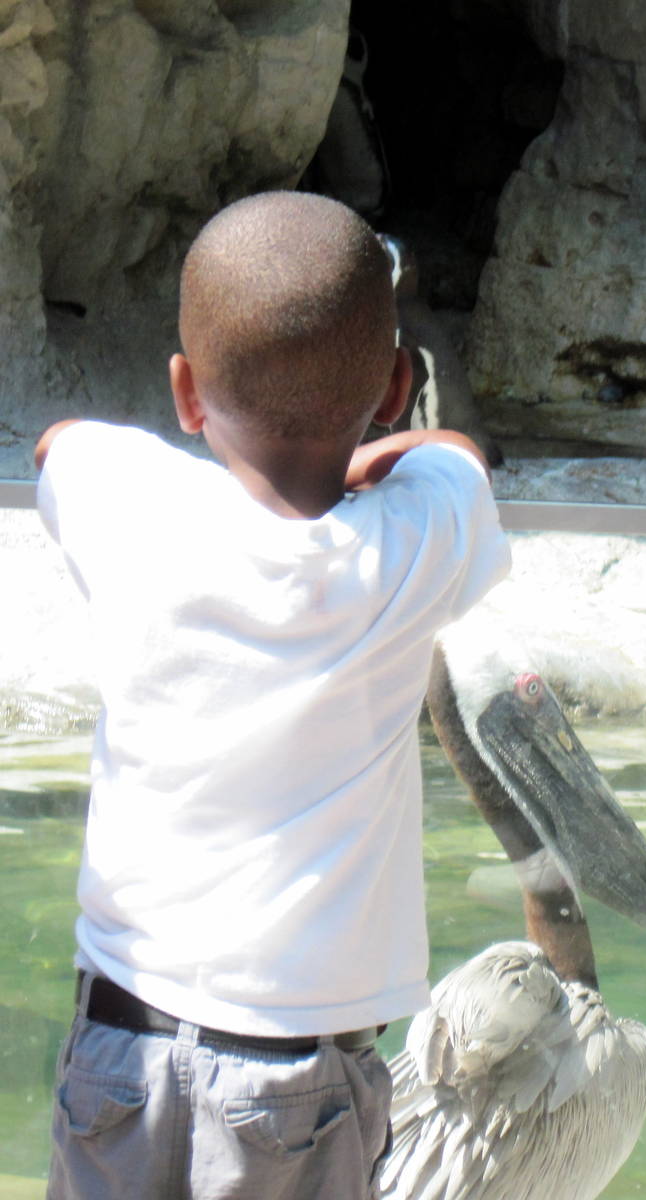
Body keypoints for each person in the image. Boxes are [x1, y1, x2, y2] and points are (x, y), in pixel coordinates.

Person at [35, 191, 511, 1198]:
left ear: (185, 393)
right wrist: (386, 453)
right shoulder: (409, 544)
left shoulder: (131, 505)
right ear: (392, 385)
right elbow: (460, 457)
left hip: (120, 1044)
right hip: (303, 1071)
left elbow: (60, 441)